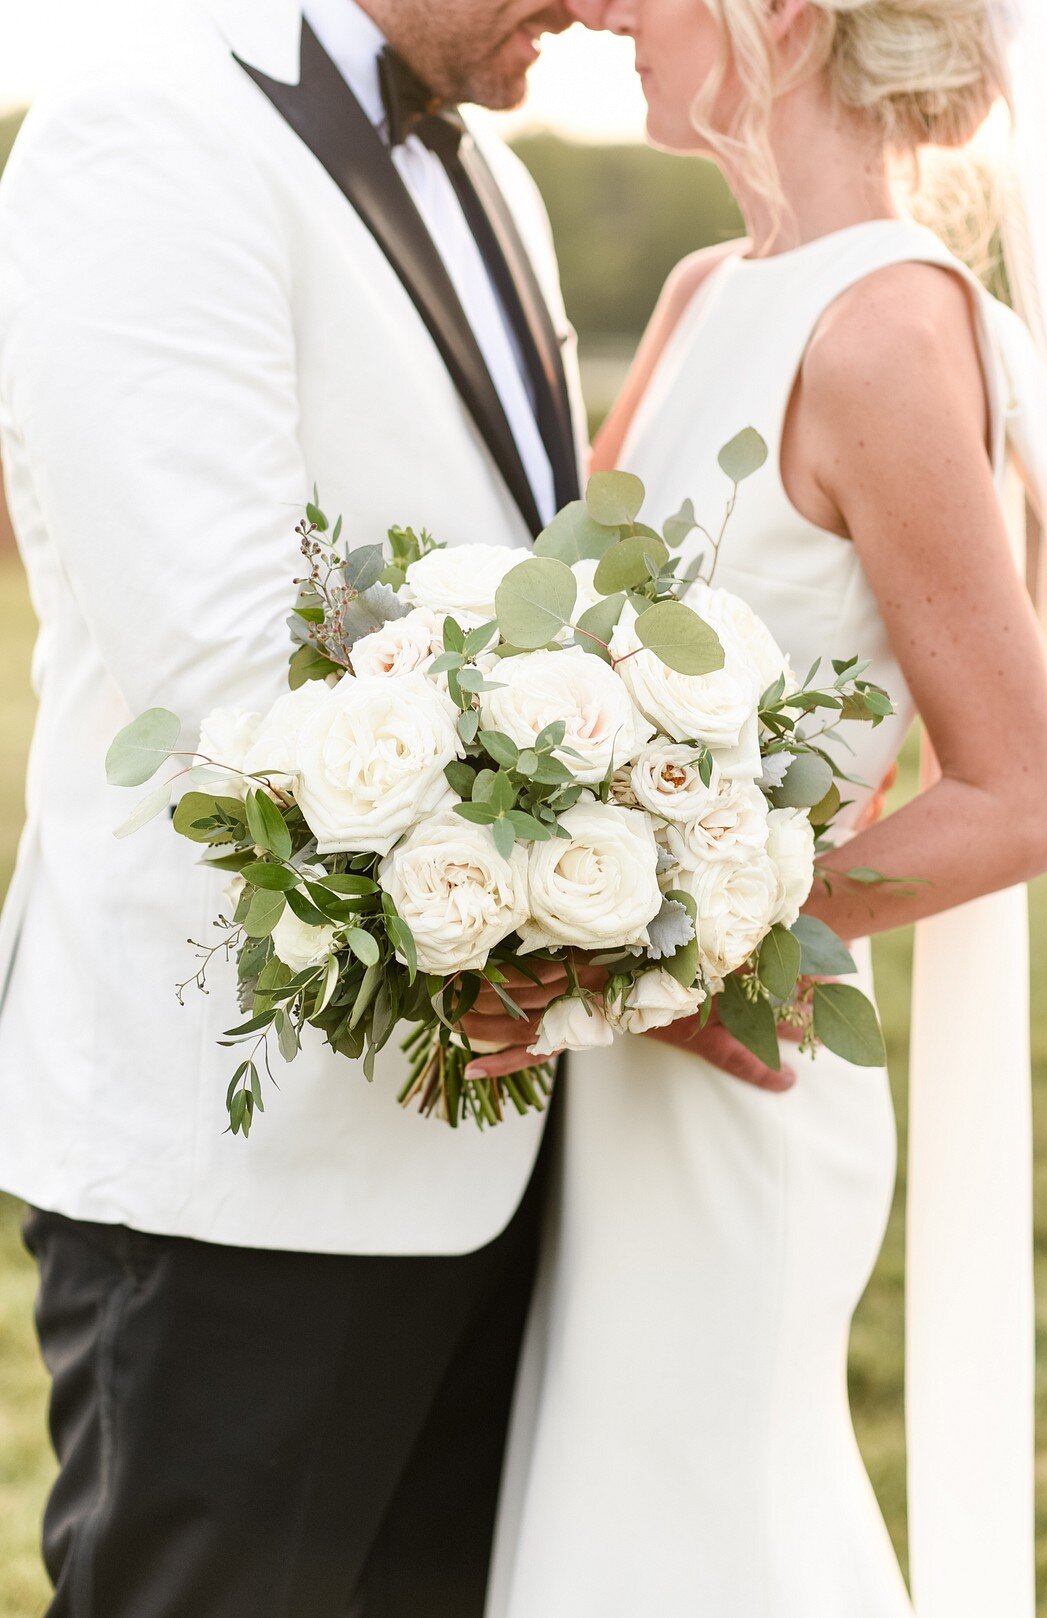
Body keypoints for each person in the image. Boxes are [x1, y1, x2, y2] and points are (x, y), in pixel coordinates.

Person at [477, 3, 1047, 1615]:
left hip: (750, 1075)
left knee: (702, 1526)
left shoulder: (884, 324)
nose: (601, 9)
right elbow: (555, 647)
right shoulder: (701, 292)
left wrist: (690, 958)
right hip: (617, 1080)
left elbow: (1019, 798)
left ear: (785, 14)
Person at [0, 0, 588, 1612]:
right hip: (236, 1172)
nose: (598, 9)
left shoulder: (501, 182)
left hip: (493, 1150)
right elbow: (222, 676)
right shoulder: (146, 126)